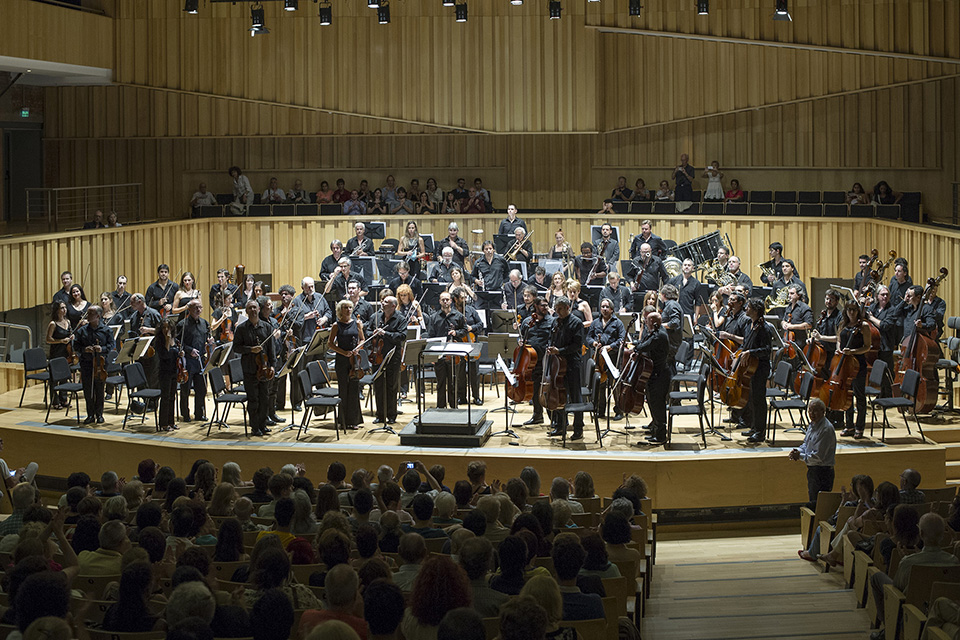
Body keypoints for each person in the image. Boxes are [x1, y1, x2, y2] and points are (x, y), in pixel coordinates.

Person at [869, 513, 958, 640]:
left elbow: (896, 588)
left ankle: (888, 629)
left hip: (912, 610)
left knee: (876, 577)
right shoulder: (954, 561)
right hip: (936, 610)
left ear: (921, 534)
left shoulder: (908, 562)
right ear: (943, 534)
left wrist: (904, 561)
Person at [235, 299, 277, 437]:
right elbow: (236, 347)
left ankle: (263, 425)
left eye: (255, 308)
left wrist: (272, 366)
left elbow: (271, 348)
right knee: (253, 400)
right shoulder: (241, 329)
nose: (253, 310)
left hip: (264, 370)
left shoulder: (266, 327)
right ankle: (254, 427)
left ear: (259, 309)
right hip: (249, 369)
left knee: (264, 398)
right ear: (246, 311)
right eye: (250, 308)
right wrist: (250, 350)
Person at [546, 298, 585, 441]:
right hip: (558, 365)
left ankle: (578, 428)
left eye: (560, 309)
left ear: (568, 307)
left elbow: (576, 345)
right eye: (556, 309)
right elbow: (552, 339)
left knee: (575, 397)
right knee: (559, 396)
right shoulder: (556, 322)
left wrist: (559, 351)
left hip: (572, 364)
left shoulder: (576, 322)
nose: (557, 312)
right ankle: (560, 425)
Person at [788, 398, 836, 508]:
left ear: (823, 412)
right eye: (810, 410)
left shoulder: (825, 429)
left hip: (822, 473)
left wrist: (799, 456)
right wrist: (798, 451)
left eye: (815, 411)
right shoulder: (813, 425)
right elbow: (806, 444)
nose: (811, 414)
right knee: (813, 502)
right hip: (814, 471)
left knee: (819, 507)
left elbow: (818, 457)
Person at [73, 305, 115, 425]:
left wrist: (101, 348)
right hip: (86, 363)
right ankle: (90, 414)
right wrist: (84, 349)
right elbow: (76, 346)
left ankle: (99, 414)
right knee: (88, 390)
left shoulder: (106, 330)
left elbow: (111, 345)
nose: (87, 316)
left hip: (101, 364)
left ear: (98, 316)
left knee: (100, 389)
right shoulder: (82, 331)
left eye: (90, 314)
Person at [739, 298, 772, 444]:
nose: (746, 308)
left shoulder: (764, 328)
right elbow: (746, 344)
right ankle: (754, 427)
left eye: (749, 307)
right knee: (752, 398)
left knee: (759, 400)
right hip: (750, 367)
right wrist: (741, 352)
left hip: (760, 368)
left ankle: (760, 432)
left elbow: (767, 350)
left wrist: (750, 352)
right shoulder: (749, 325)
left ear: (756, 310)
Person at [369, 296, 406, 426]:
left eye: (386, 302)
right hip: (377, 356)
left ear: (393, 306)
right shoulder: (375, 316)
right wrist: (373, 333)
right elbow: (367, 331)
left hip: (393, 356)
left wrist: (385, 334)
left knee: (391, 386)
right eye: (382, 301)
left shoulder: (400, 319)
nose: (382, 303)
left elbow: (401, 336)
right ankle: (380, 415)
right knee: (378, 386)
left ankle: (391, 415)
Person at [328, 300, 364, 431]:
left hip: (354, 359)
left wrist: (358, 349)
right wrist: (343, 352)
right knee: (343, 389)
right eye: (345, 308)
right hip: (342, 360)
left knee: (354, 389)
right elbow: (330, 344)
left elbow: (362, 339)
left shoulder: (357, 323)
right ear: (340, 310)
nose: (348, 310)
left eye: (350, 307)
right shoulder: (336, 326)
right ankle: (342, 420)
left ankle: (354, 420)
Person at [427, 292, 466, 409]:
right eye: (443, 299)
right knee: (440, 383)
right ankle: (441, 407)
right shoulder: (434, 317)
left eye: (447, 299)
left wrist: (456, 333)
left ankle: (454, 406)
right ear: (439, 301)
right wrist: (432, 356)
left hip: (454, 354)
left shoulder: (458, 316)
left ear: (451, 301)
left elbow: (465, 330)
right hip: (439, 354)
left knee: (453, 381)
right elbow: (430, 336)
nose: (445, 302)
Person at [588, 298, 625, 419]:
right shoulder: (595, 322)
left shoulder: (617, 323)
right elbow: (588, 338)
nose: (604, 309)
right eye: (602, 306)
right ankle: (601, 410)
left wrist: (610, 347)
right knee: (601, 384)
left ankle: (619, 410)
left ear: (612, 309)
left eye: (606, 307)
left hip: (613, 357)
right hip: (599, 358)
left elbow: (622, 339)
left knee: (615, 384)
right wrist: (594, 343)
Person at [520, 297, 554, 427]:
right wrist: (521, 342)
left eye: (546, 305)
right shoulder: (527, 322)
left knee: (548, 390)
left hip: (546, 360)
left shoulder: (552, 321)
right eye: (542, 306)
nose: (545, 308)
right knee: (534, 389)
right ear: (535, 306)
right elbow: (523, 337)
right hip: (531, 361)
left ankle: (553, 418)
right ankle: (537, 415)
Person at [156, 318, 180, 432]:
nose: (166, 329)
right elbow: (165, 355)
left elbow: (176, 354)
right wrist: (167, 340)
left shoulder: (175, 339)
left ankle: (171, 422)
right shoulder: (159, 341)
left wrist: (181, 353)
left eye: (168, 327)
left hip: (174, 371)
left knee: (172, 397)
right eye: (164, 327)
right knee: (165, 398)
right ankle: (163, 424)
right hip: (164, 372)